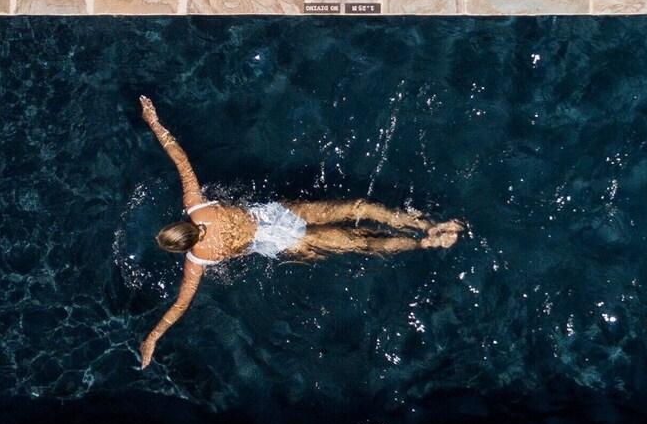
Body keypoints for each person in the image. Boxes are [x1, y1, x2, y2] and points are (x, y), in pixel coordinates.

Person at [135, 96, 462, 367]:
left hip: (283, 241)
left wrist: (152, 338)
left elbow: (179, 306)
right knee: (356, 208)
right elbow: (180, 159)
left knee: (362, 244)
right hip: (278, 214)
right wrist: (154, 122)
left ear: (183, 247)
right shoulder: (196, 206)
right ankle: (427, 225)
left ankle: (425, 244)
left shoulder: (197, 261)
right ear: (179, 224)